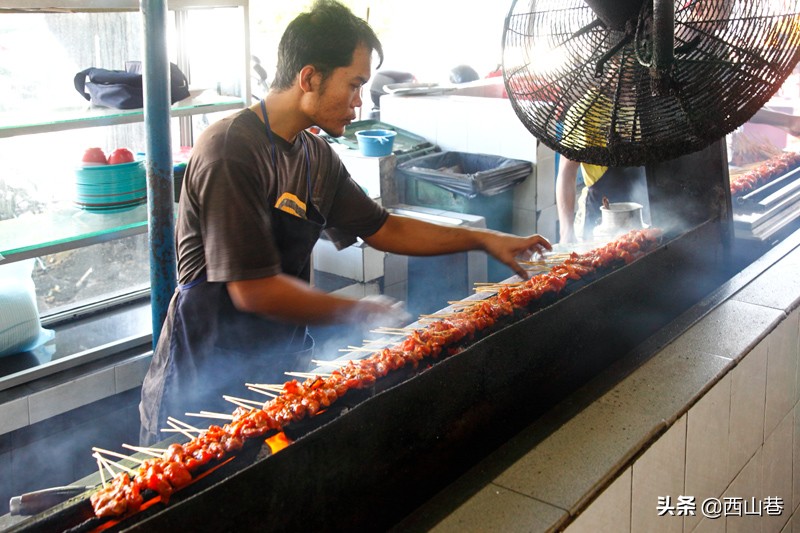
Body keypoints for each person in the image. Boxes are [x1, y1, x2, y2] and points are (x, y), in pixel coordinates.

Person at [139, 0, 552, 446]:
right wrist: (358, 311)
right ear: (309, 77)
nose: (359, 102)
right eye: (354, 85)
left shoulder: (315, 157)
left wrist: (485, 239)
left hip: (277, 366)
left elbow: (385, 228)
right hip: (203, 378)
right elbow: (253, 289)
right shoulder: (231, 150)